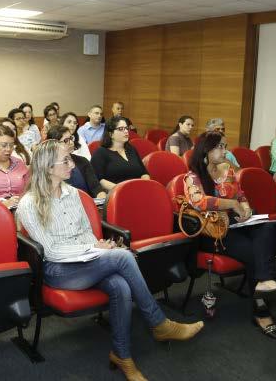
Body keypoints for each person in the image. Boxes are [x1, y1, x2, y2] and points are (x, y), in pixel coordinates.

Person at [17, 140, 203, 380]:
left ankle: (122, 355)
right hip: (59, 270)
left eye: (70, 158)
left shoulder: (73, 193)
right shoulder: (29, 204)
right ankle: (159, 323)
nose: (72, 164)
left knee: (120, 285)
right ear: (47, 168)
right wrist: (92, 248)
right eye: (66, 161)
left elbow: (85, 230)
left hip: (87, 261)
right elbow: (51, 251)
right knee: (124, 256)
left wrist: (97, 246)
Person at [188, 131, 276, 339]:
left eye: (225, 146)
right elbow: (199, 202)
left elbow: (240, 194)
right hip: (212, 233)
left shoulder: (227, 171)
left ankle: (263, 282)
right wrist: (232, 204)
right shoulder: (192, 176)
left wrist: (244, 208)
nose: (225, 151)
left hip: (234, 226)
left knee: (267, 228)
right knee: (256, 251)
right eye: (220, 147)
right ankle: (261, 310)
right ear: (206, 151)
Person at [91, 116, 149, 192]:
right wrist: (123, 189)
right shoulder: (100, 153)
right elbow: (99, 180)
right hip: (116, 193)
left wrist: (146, 186)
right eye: (121, 129)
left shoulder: (131, 149)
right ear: (111, 134)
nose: (126, 131)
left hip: (138, 190)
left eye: (126, 128)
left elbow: (144, 173)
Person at [47, 126, 106, 198]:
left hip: (86, 203)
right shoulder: (49, 166)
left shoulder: (82, 161)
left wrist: (102, 199)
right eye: (66, 140)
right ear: (54, 145)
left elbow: (95, 187)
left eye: (71, 138)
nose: (71, 142)